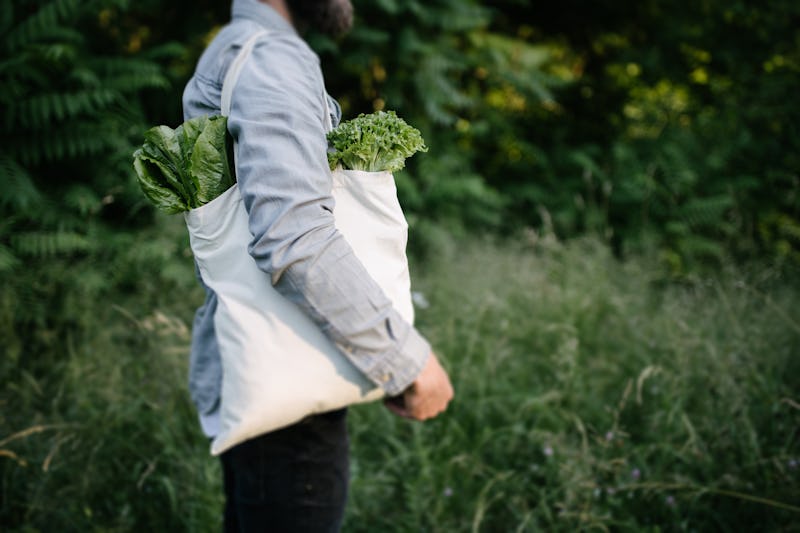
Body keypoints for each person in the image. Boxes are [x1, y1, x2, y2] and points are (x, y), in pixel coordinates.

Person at [182, 0, 454, 530]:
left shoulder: (239, 47)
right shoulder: (270, 58)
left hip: (267, 379)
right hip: (290, 409)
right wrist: (407, 360)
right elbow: (294, 235)